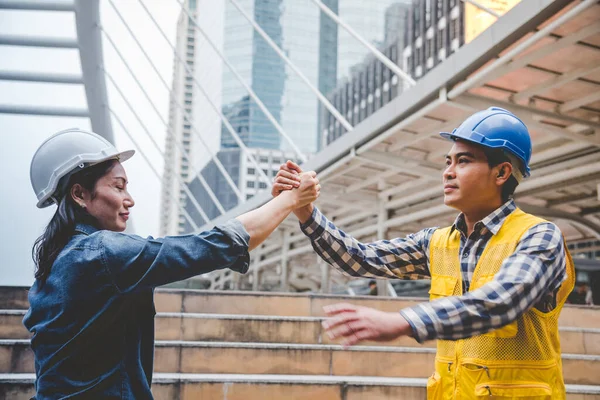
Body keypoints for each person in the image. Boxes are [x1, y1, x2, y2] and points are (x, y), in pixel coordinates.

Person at [273, 107, 575, 399]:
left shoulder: (539, 236)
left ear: (502, 173)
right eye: (448, 162)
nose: (448, 173)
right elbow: (360, 258)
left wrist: (403, 321)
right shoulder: (437, 242)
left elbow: (500, 302)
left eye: (464, 161)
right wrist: (305, 212)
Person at [24, 128, 320, 399]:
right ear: (79, 194)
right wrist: (291, 200)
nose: (130, 200)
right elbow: (216, 245)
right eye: (118, 186)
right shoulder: (104, 253)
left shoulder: (55, 264)